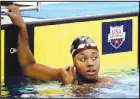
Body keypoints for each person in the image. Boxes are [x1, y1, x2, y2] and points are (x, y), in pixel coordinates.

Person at [6, 5, 113, 85]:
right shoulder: (65, 75)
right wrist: (22, 27)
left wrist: (75, 88)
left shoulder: (106, 82)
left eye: (94, 57)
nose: (90, 63)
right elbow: (28, 67)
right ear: (73, 62)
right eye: (83, 59)